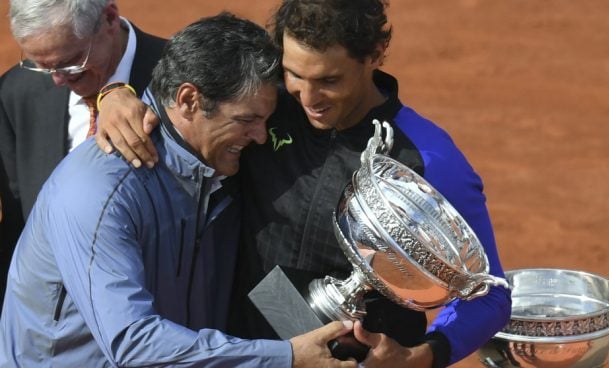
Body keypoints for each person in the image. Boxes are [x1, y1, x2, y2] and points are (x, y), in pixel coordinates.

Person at [96, 1, 512, 367]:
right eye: (294, 74)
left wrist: (422, 356)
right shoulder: (265, 103)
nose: (307, 96)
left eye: (329, 80)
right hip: (241, 352)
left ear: (376, 55)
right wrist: (116, 92)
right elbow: (186, 76)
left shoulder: (427, 158)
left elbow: (489, 293)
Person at [0, 12, 357, 368]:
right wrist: (287, 358)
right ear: (188, 101)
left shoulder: (219, 158)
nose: (262, 137)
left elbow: (256, 269)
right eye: (247, 121)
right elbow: (133, 344)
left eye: (264, 120)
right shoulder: (98, 193)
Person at [0, 0, 167, 305]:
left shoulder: (181, 80)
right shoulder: (16, 92)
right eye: (41, 65)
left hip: (158, 309)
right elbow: (18, 229)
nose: (58, 79)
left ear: (109, 18)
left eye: (72, 60)